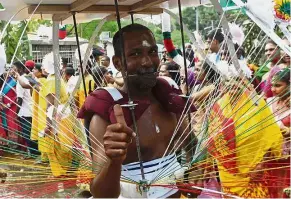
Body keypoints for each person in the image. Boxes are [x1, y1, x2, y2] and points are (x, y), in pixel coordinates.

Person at [78, 24, 196, 198]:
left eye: (152, 52)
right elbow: (101, 194)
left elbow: (191, 144)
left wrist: (198, 166)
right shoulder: (108, 115)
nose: (147, 62)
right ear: (118, 63)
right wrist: (114, 161)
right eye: (135, 54)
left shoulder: (169, 100)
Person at [266, 69, 290, 198]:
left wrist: (287, 131)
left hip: (285, 159)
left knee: (282, 191)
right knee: (269, 189)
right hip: (267, 156)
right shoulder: (269, 102)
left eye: (278, 85)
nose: (273, 89)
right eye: (272, 85)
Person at [13, 61, 38, 158]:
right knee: (33, 133)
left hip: (25, 111)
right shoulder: (29, 78)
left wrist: (16, 114)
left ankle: (33, 154)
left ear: (19, 69)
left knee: (27, 134)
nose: (12, 70)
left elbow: (20, 99)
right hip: (33, 110)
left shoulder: (20, 81)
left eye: (13, 68)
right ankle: (35, 153)